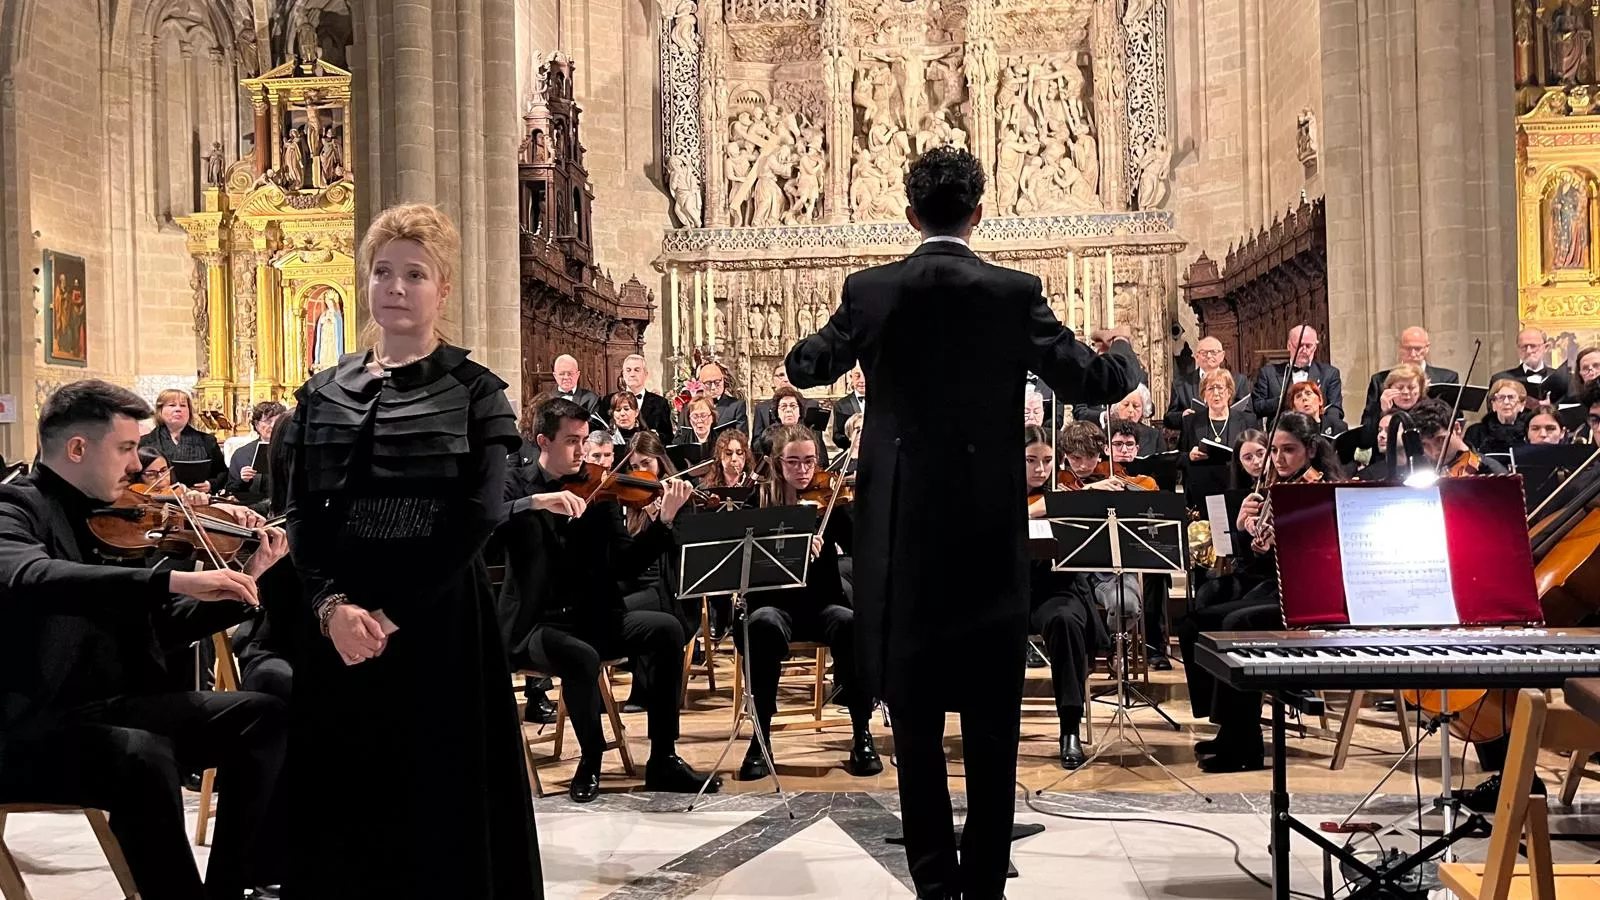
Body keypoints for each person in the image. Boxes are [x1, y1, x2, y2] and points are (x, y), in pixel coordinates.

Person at [785, 146, 1132, 900]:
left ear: (910, 216)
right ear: (980, 213)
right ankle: (984, 889)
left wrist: (837, 346)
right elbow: (1098, 381)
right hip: (984, 538)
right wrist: (1124, 349)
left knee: (913, 724)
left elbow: (806, 365)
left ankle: (934, 887)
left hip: (903, 540)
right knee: (991, 721)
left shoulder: (870, 292)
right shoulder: (1013, 293)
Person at [280, 203, 542, 896]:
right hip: (337, 624)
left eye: (415, 274)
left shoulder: (476, 393)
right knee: (344, 796)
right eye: (383, 272)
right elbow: (301, 511)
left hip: (438, 620)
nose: (395, 287)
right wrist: (331, 605)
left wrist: (391, 615)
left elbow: (479, 517)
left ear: (443, 288)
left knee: (438, 795)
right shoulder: (320, 395)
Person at [0, 379, 289, 900]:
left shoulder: (106, 515)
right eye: (127, 448)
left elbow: (158, 628)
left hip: (107, 707)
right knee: (141, 753)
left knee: (262, 716)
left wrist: (246, 578)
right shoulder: (14, 510)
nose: (137, 466)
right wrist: (172, 579)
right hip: (28, 728)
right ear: (77, 448)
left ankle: (229, 886)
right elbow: (32, 577)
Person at [497, 397, 718, 803]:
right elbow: (484, 520)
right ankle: (591, 760)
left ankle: (663, 756)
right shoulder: (516, 482)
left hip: (596, 617)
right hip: (537, 625)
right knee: (579, 656)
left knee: (667, 628)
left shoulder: (601, 490)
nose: (581, 452)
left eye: (584, 440)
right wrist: (536, 502)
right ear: (543, 441)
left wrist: (662, 523)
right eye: (571, 442)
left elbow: (624, 564)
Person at [1181, 412, 1345, 773]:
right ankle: (1230, 726)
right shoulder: (1274, 489)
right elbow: (1255, 555)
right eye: (1274, 450)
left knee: (1234, 626)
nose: (1279, 459)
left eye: (1289, 450)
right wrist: (1243, 528)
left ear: (1311, 450)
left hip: (1311, 596)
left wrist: (1282, 532)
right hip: (1277, 587)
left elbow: (1320, 557)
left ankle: (1246, 744)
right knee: (1195, 622)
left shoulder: (1321, 490)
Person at [736, 424, 881, 780]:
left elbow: (865, 548)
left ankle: (862, 733)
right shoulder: (758, 504)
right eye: (793, 462)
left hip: (820, 604)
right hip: (772, 605)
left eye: (809, 462)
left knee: (850, 622)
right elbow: (739, 561)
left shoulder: (828, 501)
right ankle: (761, 738)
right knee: (763, 624)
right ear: (777, 463)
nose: (803, 471)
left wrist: (863, 509)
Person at [1024, 425, 1106, 770]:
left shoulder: (1067, 499)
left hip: (1055, 590)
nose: (1040, 470)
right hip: (1005, 593)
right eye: (1030, 461)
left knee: (1066, 620)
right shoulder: (994, 497)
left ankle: (1069, 726)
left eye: (1046, 461)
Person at [1360, 327, 1459, 428]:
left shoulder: (1447, 378)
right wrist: (1382, 411)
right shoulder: (1379, 380)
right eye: (1407, 348)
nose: (1412, 354)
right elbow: (1366, 427)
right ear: (1400, 347)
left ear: (1427, 348)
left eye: (1418, 349)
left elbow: (1455, 419)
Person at [1251, 324, 1344, 422]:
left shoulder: (1329, 373)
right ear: (1289, 346)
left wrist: (1325, 428)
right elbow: (1258, 407)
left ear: (1315, 347)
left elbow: (1335, 408)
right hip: (1282, 432)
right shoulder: (1268, 373)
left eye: (1308, 346)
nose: (1304, 350)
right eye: (1299, 345)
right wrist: (1284, 400)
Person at [140, 388, 227, 491]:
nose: (178, 409)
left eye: (183, 405)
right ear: (160, 410)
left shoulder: (207, 441)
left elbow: (223, 473)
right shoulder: (144, 442)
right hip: (157, 500)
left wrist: (210, 484)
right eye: (172, 405)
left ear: (189, 411)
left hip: (197, 499)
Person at [1165, 336, 1248, 429]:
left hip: (1229, 436)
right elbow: (1169, 418)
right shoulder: (1181, 384)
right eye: (1204, 353)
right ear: (1196, 357)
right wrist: (1182, 416)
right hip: (1194, 437)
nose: (1208, 356)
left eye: (1213, 352)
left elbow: (1249, 415)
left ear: (1222, 355)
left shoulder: (1238, 381)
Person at [1409, 398, 1509, 475]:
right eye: (1425, 444)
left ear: (1457, 428)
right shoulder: (1419, 469)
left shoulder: (1491, 472)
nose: (1435, 452)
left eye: (1441, 440)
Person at [224, 400, 288, 510]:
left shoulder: (291, 449)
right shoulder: (242, 454)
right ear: (257, 424)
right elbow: (231, 490)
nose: (273, 425)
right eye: (268, 421)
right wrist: (242, 479)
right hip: (252, 508)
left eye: (277, 421)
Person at [1181, 368, 1253, 463]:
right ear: (1204, 394)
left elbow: (1258, 454)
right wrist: (1189, 456)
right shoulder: (1190, 421)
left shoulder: (1248, 421)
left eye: (1220, 388)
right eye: (1210, 389)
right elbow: (1179, 457)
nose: (1215, 393)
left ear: (1229, 392)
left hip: (1235, 476)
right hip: (1200, 475)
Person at [1492, 328, 1570, 406]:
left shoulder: (1561, 378)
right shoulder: (1501, 379)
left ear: (1546, 347)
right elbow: (1492, 414)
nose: (1528, 351)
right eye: (1524, 347)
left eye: (1533, 346)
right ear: (1518, 349)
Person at [1465, 378, 1531, 455]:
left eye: (1511, 397)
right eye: (1501, 398)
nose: (1506, 402)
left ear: (1522, 405)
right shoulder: (1476, 432)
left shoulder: (1529, 431)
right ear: (1494, 405)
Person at [619, 353, 676, 442]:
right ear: (623, 374)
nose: (632, 374)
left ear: (646, 374)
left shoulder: (660, 403)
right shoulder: (608, 400)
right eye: (628, 370)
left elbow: (668, 437)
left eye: (637, 370)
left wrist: (656, 435)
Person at [753, 359, 819, 435]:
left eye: (790, 375)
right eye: (781, 375)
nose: (786, 380)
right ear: (773, 380)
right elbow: (756, 441)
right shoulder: (761, 408)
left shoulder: (813, 405)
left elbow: (817, 438)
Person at [697, 361, 749, 433]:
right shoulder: (688, 408)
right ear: (700, 383)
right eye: (708, 383)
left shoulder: (736, 406)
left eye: (717, 382)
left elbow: (742, 437)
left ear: (723, 380)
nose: (713, 387)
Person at [831, 366, 867, 450]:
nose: (862, 380)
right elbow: (837, 436)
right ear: (851, 377)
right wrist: (854, 443)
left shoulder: (879, 402)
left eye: (865, 375)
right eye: (857, 376)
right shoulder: (841, 405)